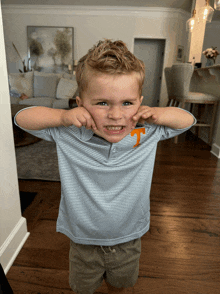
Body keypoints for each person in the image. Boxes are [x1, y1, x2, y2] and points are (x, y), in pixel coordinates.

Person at [15, 39, 196, 294]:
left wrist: (158, 112)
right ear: (81, 103)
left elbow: (187, 120)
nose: (115, 114)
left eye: (127, 103)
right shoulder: (69, 133)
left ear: (140, 102)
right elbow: (21, 118)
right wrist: (61, 117)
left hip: (129, 236)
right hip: (82, 239)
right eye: (102, 103)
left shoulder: (144, 133)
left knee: (120, 285)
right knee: (82, 288)